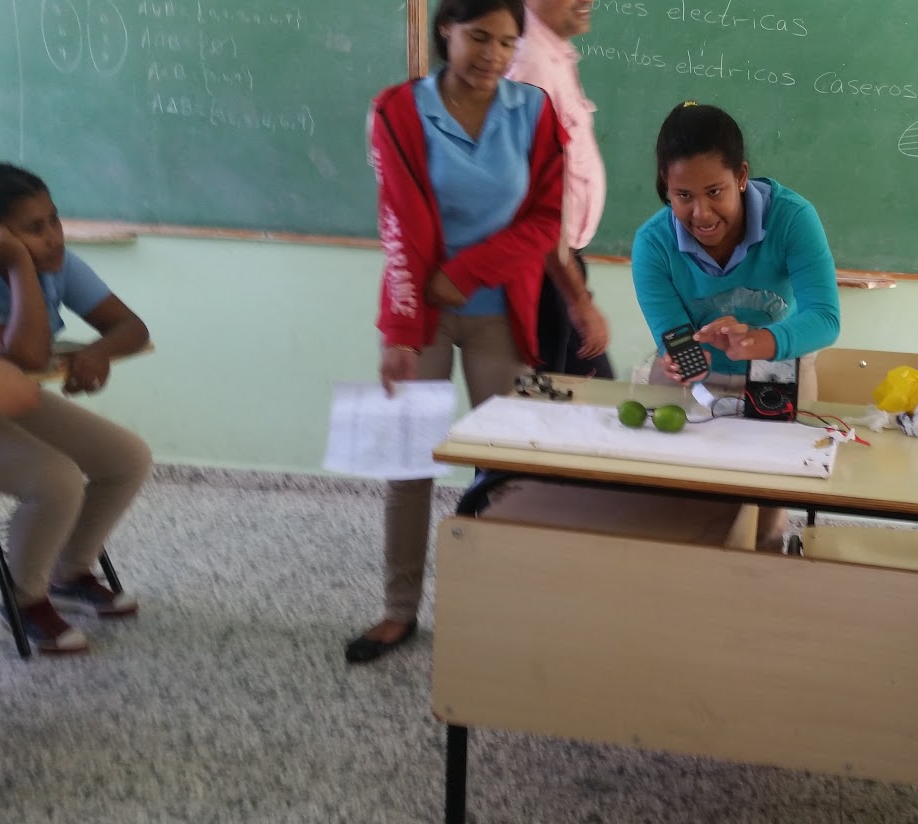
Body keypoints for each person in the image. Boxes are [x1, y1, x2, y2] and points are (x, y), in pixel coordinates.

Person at [348, 0, 577, 663]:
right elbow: (398, 220)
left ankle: (501, 609)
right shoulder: (397, 109)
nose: (492, 56)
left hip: (501, 312)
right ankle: (397, 612)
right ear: (445, 28)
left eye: (507, 43)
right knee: (407, 460)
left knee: (506, 466)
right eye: (479, 37)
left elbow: (545, 218)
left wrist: (466, 273)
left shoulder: (534, 112)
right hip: (416, 308)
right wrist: (401, 330)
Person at [631, 102, 841, 551]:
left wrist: (758, 342)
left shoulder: (792, 218)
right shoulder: (653, 243)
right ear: (666, 186)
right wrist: (683, 359)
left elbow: (825, 318)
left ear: (742, 176)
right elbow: (673, 336)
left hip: (776, 369)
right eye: (683, 196)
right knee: (684, 515)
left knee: (764, 521)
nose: (702, 214)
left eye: (715, 192)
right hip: (699, 383)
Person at [0, 161, 154, 654]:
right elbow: (28, 356)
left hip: (7, 399)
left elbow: (132, 326)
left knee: (127, 458)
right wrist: (18, 266)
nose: (54, 237)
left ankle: (69, 574)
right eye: (34, 229)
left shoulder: (57, 262)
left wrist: (99, 351)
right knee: (56, 480)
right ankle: (25, 599)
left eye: (53, 219)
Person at [505, 0, 614, 379]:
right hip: (545, 268)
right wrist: (578, 300)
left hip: (559, 267)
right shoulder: (530, 62)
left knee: (585, 397)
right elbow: (532, 201)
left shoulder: (552, 53)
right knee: (558, 401)